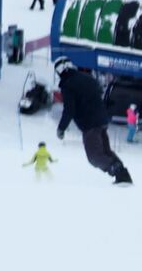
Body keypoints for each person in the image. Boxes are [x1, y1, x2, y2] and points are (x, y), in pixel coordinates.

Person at [54, 56, 131, 185]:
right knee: (105, 151)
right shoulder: (88, 78)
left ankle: (118, 173)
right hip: (102, 120)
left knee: (94, 157)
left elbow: (69, 109)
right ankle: (123, 175)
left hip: (89, 124)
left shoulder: (68, 85)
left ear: (61, 70)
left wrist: (61, 128)